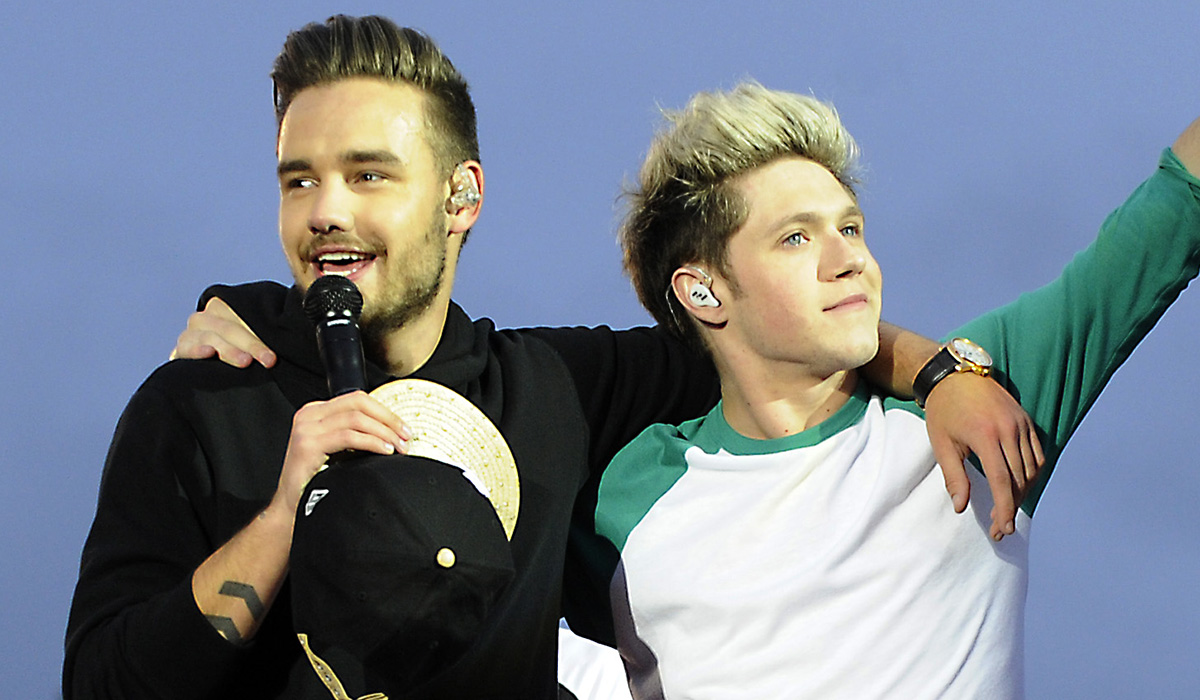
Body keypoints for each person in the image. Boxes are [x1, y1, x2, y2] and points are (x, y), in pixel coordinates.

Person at [65, 15, 1043, 700]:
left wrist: (941, 370)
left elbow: (777, 330)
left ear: (461, 198)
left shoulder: (555, 391)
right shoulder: (201, 400)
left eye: (369, 175)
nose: (326, 209)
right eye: (299, 179)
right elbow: (99, 682)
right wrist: (283, 521)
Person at [585, 83, 1200, 698]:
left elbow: (1177, 205)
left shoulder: (979, 398)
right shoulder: (629, 491)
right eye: (795, 238)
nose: (848, 258)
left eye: (849, 228)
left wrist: (943, 374)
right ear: (704, 292)